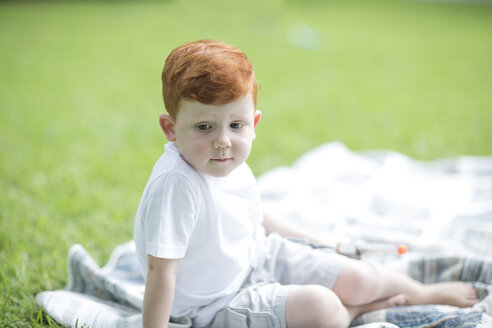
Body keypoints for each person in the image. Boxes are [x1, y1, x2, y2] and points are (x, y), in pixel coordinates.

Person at [133, 39, 478, 328]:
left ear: (253, 123)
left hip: (258, 258)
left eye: (235, 126)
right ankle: (357, 311)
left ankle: (421, 292)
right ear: (170, 128)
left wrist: (326, 244)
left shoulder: (224, 162)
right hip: (213, 307)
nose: (223, 141)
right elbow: (159, 273)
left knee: (359, 278)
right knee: (321, 307)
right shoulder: (177, 187)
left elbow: (255, 218)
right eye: (204, 127)